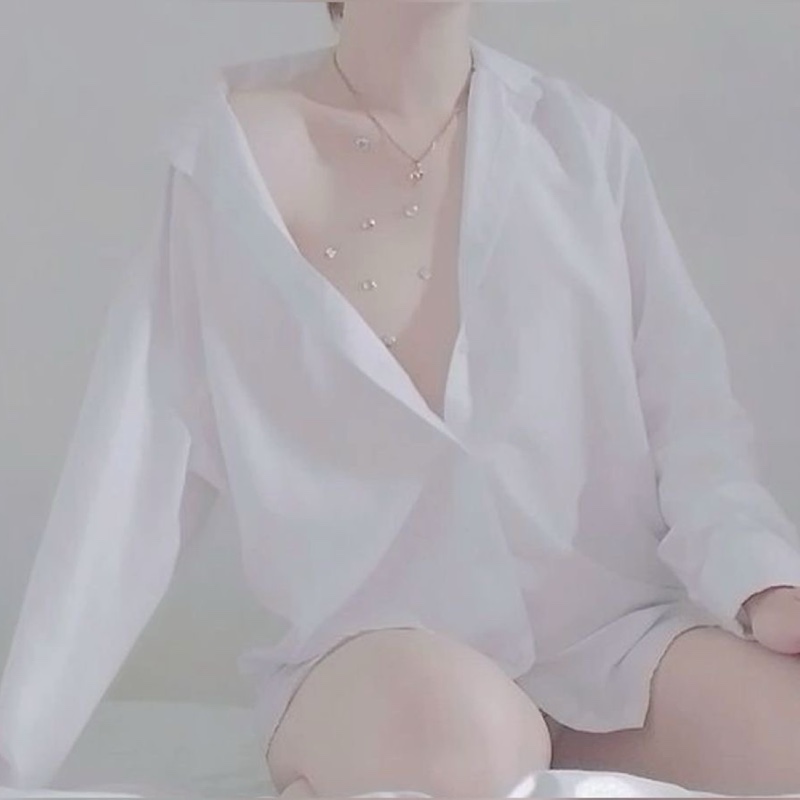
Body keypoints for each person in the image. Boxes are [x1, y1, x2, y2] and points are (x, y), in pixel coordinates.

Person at [2, 1, 800, 797]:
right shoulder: (228, 162)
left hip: (607, 648)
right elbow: (130, 479)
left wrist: (763, 582)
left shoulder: (581, 143)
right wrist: (17, 750)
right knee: (469, 736)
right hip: (378, 665)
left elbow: (692, 430)